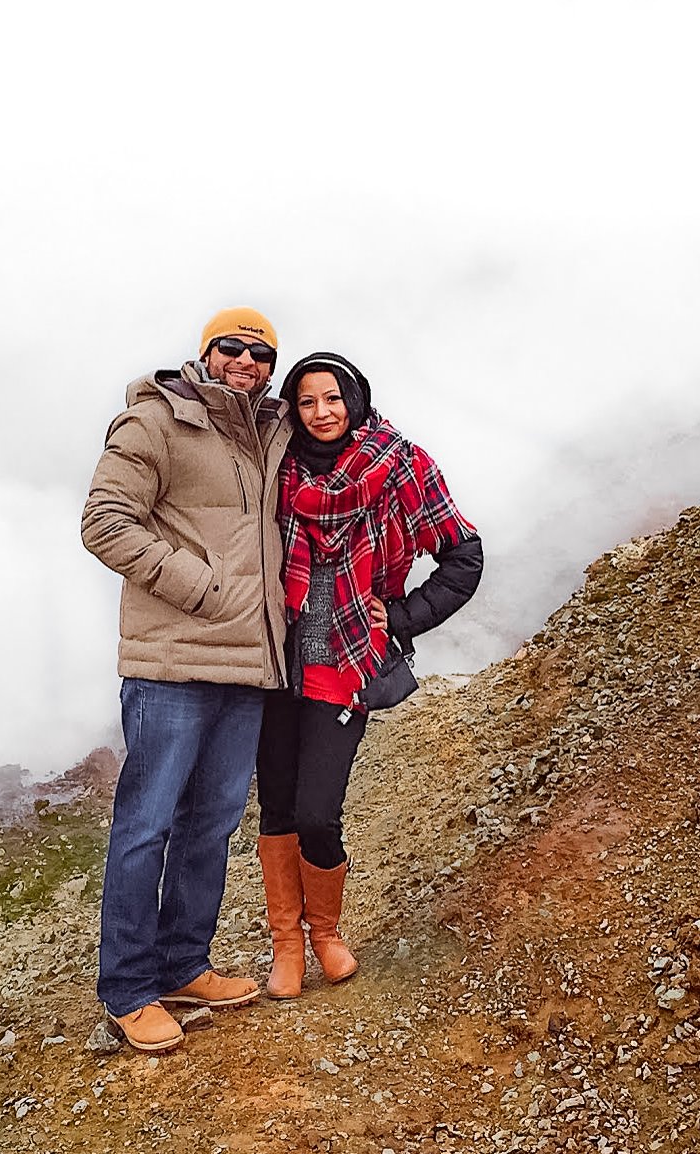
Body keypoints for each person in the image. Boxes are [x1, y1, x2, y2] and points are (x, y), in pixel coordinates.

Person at [80, 308, 292, 1053]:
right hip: (172, 662)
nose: (246, 360)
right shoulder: (154, 422)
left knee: (211, 825)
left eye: (260, 352)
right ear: (205, 355)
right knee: (147, 825)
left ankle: (182, 965)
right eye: (231, 348)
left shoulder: (271, 429)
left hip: (248, 666)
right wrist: (201, 589)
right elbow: (104, 521)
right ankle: (129, 989)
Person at [255, 352, 482, 999]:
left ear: (353, 400)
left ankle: (325, 933)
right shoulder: (280, 467)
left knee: (317, 814)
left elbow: (463, 555)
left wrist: (403, 617)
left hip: (346, 662)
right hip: (274, 660)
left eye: (332, 399)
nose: (321, 412)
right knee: (276, 810)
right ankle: (287, 949)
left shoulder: (402, 466)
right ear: (293, 411)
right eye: (306, 402)